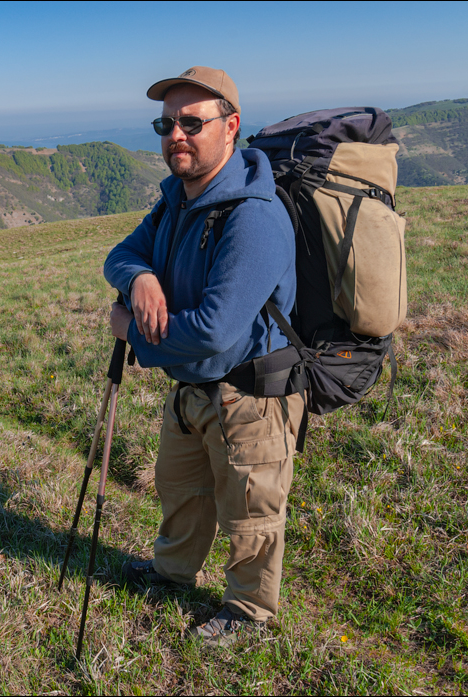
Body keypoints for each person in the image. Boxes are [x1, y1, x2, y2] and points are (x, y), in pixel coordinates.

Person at [103, 66, 303, 647]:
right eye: (166, 124)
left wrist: (132, 333)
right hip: (192, 388)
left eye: (192, 122)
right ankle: (171, 575)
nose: (177, 135)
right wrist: (139, 277)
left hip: (252, 394)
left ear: (231, 126)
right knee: (181, 491)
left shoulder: (255, 216)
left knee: (251, 511)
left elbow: (216, 331)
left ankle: (248, 611)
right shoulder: (175, 200)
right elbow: (121, 253)